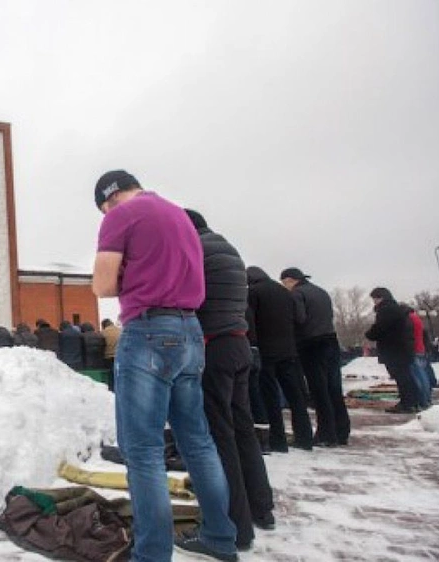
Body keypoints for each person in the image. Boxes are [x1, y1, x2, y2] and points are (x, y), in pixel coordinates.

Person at [91, 170, 237, 561]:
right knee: (198, 443)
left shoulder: (120, 215)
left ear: (110, 198)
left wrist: (124, 273)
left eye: (104, 207)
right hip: (191, 332)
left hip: (150, 332)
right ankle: (221, 537)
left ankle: (152, 555)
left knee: (143, 452)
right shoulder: (180, 217)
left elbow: (102, 285)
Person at [186, 209, 275, 552]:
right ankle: (261, 508)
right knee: (243, 430)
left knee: (220, 436)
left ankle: (234, 528)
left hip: (214, 348)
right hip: (239, 345)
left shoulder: (197, 249)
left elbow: (191, 298)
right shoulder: (228, 248)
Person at [246, 267, 315, 452]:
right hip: (289, 351)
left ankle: (278, 441)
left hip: (266, 352)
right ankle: (305, 438)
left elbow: (249, 322)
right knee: (296, 396)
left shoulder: (253, 292)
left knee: (270, 397)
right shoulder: (286, 292)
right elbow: (299, 319)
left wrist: (252, 345)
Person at [281, 267, 351, 446]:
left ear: (290, 280)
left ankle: (326, 435)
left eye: (284, 282)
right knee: (334, 388)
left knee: (319, 391)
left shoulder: (297, 294)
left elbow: (300, 319)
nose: (284, 286)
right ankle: (342, 431)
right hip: (331, 341)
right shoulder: (321, 292)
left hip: (311, 345)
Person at [365, 288, 419, 413]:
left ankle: (407, 404)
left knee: (401, 377)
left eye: (375, 299)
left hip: (394, 350)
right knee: (405, 376)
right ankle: (412, 402)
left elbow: (379, 328)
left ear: (381, 297)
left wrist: (369, 334)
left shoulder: (386, 310)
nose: (374, 302)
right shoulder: (395, 308)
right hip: (401, 348)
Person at [401, 304, 432, 409]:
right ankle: (427, 399)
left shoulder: (408, 319)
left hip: (414, 349)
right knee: (423, 375)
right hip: (420, 349)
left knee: (418, 376)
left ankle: (423, 401)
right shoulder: (415, 317)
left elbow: (408, 335)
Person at [101, 319, 120, 391]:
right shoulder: (120, 330)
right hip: (120, 356)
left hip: (108, 357)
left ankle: (112, 389)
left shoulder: (103, 333)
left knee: (111, 375)